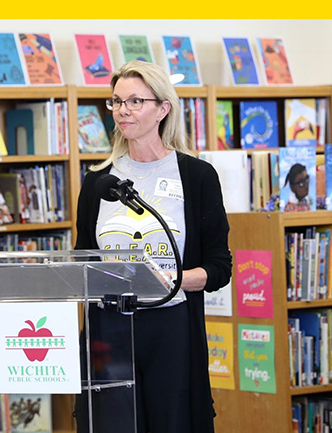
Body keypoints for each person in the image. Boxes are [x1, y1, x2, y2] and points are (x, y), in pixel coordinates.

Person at [74, 61, 232, 433]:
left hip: (171, 326)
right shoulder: (98, 180)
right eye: (116, 102)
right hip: (108, 328)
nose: (123, 110)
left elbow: (219, 266)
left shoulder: (196, 176)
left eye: (135, 101)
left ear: (163, 109)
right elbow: (83, 258)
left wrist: (172, 280)